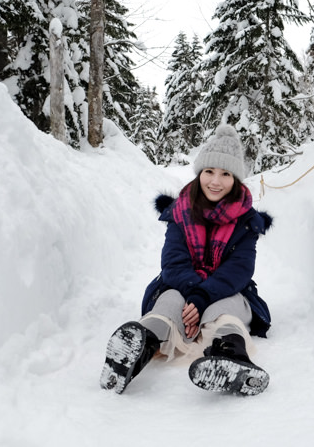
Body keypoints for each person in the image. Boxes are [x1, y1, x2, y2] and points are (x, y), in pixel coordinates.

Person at [99, 124, 272, 396]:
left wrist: (203, 296)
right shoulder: (180, 212)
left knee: (227, 309)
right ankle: (136, 349)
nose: (215, 181)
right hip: (181, 286)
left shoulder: (247, 222)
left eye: (225, 174)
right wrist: (193, 294)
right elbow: (173, 261)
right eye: (209, 172)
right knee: (169, 302)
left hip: (226, 288)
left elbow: (239, 269)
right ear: (199, 173)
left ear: (236, 179)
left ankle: (231, 356)